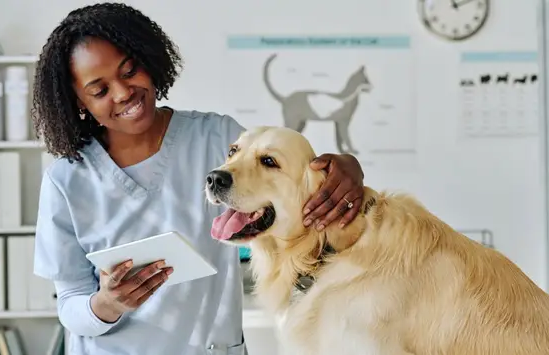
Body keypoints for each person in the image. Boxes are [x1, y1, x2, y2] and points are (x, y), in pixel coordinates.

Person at [31, 3, 365, 355]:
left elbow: (292, 181)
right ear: (79, 102)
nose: (123, 92)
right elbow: (70, 304)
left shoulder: (220, 139)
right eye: (99, 91)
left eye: (129, 71)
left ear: (148, 59)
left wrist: (346, 165)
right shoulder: (65, 181)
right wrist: (106, 304)